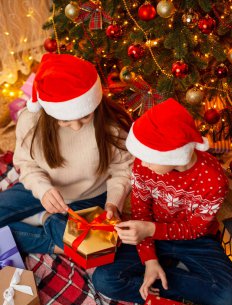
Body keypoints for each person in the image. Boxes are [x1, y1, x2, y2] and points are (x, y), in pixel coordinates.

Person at [92, 98, 232, 305]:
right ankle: (162, 274)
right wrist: (149, 259)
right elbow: (140, 210)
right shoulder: (145, 164)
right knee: (103, 279)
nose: (142, 164)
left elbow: (196, 228)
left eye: (149, 158)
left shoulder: (213, 179)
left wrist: (149, 231)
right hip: (150, 234)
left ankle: (164, 278)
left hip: (195, 239)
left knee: (230, 295)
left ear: (175, 156)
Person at [0, 53, 133, 255]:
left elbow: (123, 169)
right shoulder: (30, 121)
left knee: (102, 247)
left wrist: (113, 202)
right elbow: (26, 164)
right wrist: (42, 189)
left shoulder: (111, 124)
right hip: (41, 189)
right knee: (84, 243)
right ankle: (56, 238)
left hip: (92, 195)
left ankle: (46, 222)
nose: (77, 127)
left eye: (85, 116)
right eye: (65, 121)